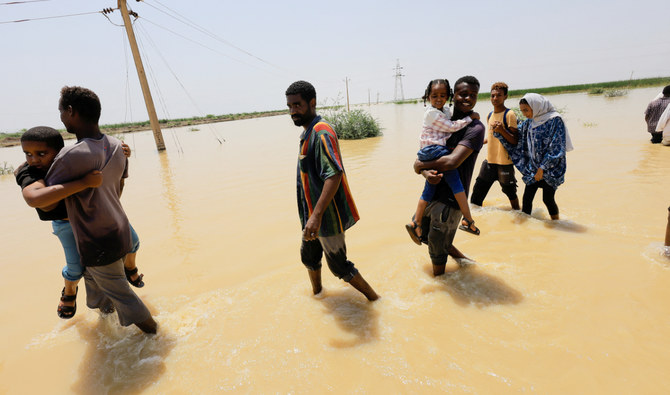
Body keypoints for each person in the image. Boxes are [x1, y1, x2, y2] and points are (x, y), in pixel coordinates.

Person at [46, 86, 157, 333]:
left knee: (122, 295)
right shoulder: (118, 146)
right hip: (119, 229)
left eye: (62, 111)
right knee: (101, 295)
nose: (61, 117)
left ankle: (156, 335)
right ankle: (110, 338)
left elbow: (47, 204)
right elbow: (118, 188)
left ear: (71, 111)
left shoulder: (70, 156)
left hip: (96, 240)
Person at [15, 126, 145, 319]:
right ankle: (69, 291)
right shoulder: (30, 172)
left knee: (134, 242)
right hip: (66, 224)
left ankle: (130, 267)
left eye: (41, 154)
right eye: (28, 154)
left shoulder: (72, 161)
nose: (34, 159)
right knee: (75, 268)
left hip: (96, 216)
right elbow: (34, 198)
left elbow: (103, 160)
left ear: (60, 153)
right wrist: (84, 183)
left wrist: (122, 152)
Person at [285, 80, 378, 301]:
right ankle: (318, 296)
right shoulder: (308, 133)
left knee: (339, 266)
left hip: (325, 216)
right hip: (312, 216)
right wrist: (311, 217)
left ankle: (375, 300)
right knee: (309, 258)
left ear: (312, 103)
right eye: (289, 106)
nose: (293, 111)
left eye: (297, 105)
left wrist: (316, 217)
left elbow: (334, 175)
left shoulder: (321, 132)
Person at [413, 76, 486, 276]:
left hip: (450, 199)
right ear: (454, 96)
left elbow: (451, 162)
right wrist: (423, 170)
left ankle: (441, 288)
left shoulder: (475, 127)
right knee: (427, 238)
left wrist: (420, 165)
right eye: (463, 94)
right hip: (433, 192)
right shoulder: (444, 119)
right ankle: (466, 264)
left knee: (437, 255)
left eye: (473, 95)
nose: (468, 99)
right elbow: (423, 155)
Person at [495, 93, 571, 220]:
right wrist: (501, 130)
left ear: (536, 107)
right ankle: (526, 227)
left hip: (551, 169)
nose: (524, 114)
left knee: (547, 199)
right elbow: (517, 135)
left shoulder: (555, 120)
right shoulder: (530, 122)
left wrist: (542, 168)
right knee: (527, 199)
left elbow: (556, 147)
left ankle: (557, 224)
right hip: (533, 168)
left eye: (526, 110)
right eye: (522, 111)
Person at [470, 82, 520, 210]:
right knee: (476, 196)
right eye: (492, 96)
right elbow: (492, 136)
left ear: (505, 97)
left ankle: (520, 218)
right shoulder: (489, 115)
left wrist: (502, 130)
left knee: (511, 195)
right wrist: (480, 141)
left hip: (505, 163)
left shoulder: (509, 115)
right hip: (489, 162)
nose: (495, 98)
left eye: (499, 95)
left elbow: (515, 140)